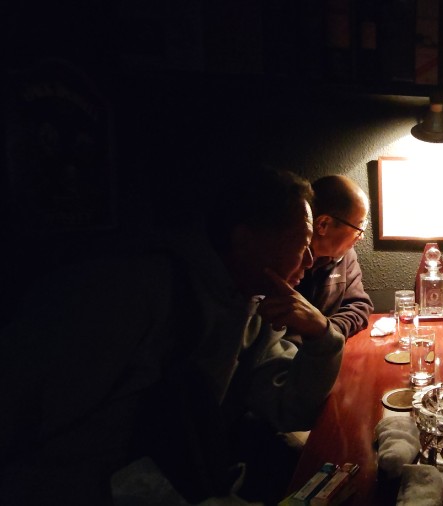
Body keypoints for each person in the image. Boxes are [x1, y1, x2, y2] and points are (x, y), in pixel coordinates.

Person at [0, 168, 344, 505]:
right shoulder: (125, 292)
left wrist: (322, 336)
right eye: (302, 244)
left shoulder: (250, 305)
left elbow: (289, 410)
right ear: (244, 240)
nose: (311, 260)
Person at [295, 175, 374, 339]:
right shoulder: (283, 261)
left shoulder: (343, 255)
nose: (361, 236)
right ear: (323, 224)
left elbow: (359, 306)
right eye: (358, 227)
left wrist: (327, 331)